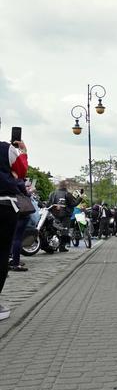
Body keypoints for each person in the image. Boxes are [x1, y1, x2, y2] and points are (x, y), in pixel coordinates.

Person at [0, 137, 28, 321]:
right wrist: (24, 152)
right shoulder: (6, 149)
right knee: (2, 251)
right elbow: (21, 170)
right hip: (3, 205)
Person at [10, 181, 37, 272]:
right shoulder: (18, 181)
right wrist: (31, 191)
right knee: (17, 238)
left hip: (7, 209)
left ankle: (10, 260)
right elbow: (25, 194)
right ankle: (15, 263)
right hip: (20, 212)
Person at [47, 180, 81, 251]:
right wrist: (80, 198)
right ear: (66, 186)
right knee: (65, 230)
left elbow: (48, 204)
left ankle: (53, 245)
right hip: (66, 215)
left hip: (55, 214)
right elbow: (73, 204)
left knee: (55, 229)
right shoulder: (68, 194)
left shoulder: (53, 193)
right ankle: (62, 247)